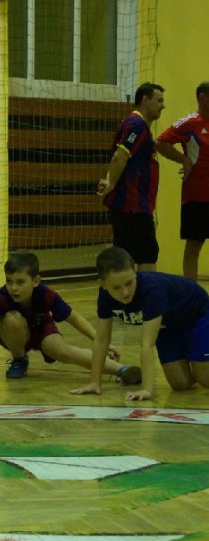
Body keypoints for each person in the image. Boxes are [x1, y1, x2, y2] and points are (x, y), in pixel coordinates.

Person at [0, 251, 141, 382]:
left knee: (64, 351)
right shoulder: (2, 298)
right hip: (14, 334)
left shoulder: (46, 294)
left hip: (41, 330)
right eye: (9, 281)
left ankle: (122, 370)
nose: (14, 288)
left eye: (20, 282)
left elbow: (74, 318)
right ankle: (19, 359)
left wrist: (99, 340)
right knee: (11, 320)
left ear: (36, 281)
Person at [71, 246, 209, 401]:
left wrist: (146, 390)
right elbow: (101, 339)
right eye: (116, 287)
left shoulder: (151, 290)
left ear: (135, 272)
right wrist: (95, 382)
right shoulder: (105, 297)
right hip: (168, 326)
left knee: (205, 379)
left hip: (196, 315)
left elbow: (147, 344)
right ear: (103, 284)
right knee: (180, 384)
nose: (125, 292)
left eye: (129, 283)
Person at [98, 82, 166, 272]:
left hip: (130, 204)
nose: (163, 105)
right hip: (133, 206)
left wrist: (109, 180)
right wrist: (111, 183)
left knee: (124, 256)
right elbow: (120, 156)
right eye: (159, 100)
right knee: (147, 254)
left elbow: (119, 157)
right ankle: (147, 291)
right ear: (145, 100)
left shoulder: (134, 124)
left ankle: (124, 290)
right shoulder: (137, 125)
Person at [156, 81, 209, 280]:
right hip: (197, 195)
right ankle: (191, 291)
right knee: (194, 244)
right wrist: (183, 160)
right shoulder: (189, 123)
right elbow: (161, 142)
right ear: (203, 97)